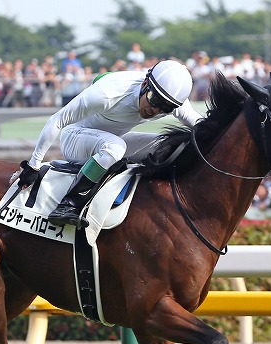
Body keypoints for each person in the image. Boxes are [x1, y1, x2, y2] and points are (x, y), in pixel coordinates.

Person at [18, 59, 200, 226]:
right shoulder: (107, 93)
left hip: (111, 141)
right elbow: (57, 120)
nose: (155, 110)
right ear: (145, 84)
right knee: (115, 147)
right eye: (154, 100)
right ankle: (69, 203)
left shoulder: (170, 97)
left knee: (171, 145)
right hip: (75, 138)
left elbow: (203, 127)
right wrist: (33, 165)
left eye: (165, 108)